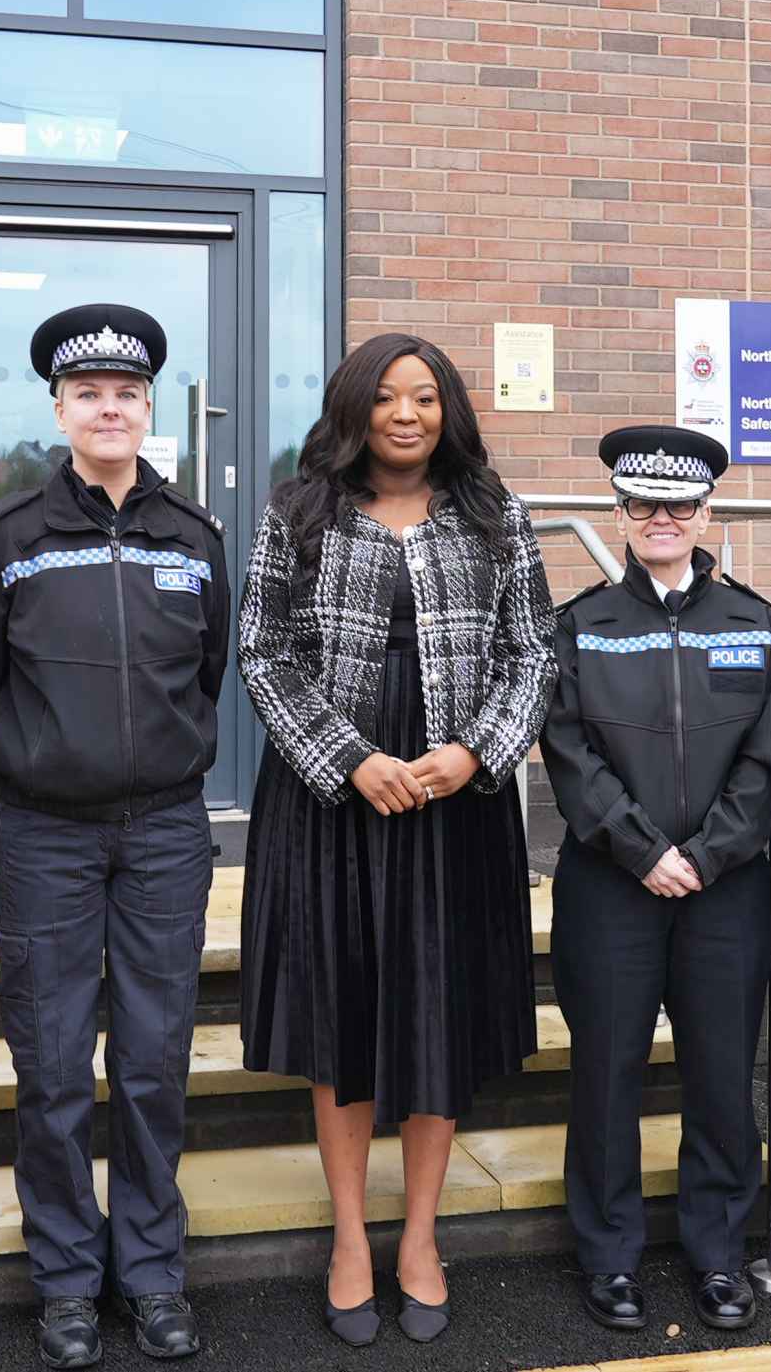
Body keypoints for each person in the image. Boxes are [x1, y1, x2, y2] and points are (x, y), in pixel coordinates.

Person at [237, 331, 556, 1349]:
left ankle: (419, 1234)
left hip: (454, 797)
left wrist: (477, 751)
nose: (407, 415)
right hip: (334, 800)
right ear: (355, 409)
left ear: (448, 408)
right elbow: (261, 649)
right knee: (345, 1013)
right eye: (386, 398)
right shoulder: (299, 511)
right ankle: (347, 1237)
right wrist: (343, 755)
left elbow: (535, 650)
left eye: (425, 397)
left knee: (437, 1010)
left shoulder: (494, 512)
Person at [0, 303, 229, 1370]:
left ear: (149, 408)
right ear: (59, 409)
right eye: (87, 394)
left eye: (127, 393)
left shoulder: (192, 539)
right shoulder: (10, 540)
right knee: (54, 1063)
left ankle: (150, 1269)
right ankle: (66, 1275)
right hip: (45, 836)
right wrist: (24, 788)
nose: (108, 408)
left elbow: (206, 673)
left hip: (162, 829)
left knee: (154, 1062)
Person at [540, 426, 771, 1335]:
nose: (662, 519)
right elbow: (568, 752)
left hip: (725, 887)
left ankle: (718, 1254)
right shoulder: (581, 625)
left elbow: (768, 761)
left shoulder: (754, 622)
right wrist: (643, 850)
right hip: (612, 885)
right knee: (606, 1071)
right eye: (643, 504)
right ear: (619, 511)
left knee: (723, 1074)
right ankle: (608, 1256)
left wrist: (708, 852)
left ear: (706, 512)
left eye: (680, 504)